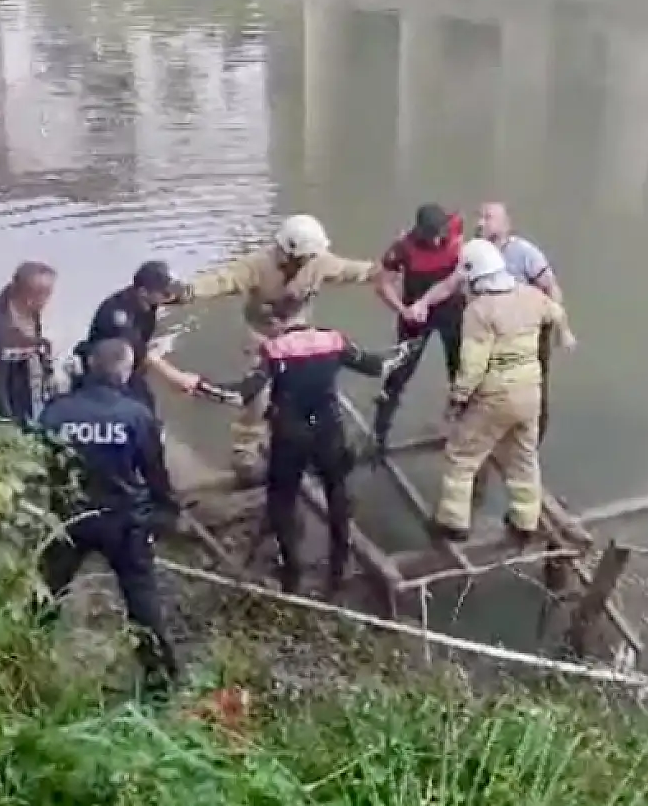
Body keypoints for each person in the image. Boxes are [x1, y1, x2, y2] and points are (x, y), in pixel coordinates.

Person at [161, 307, 407, 598]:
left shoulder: (274, 351)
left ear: (277, 322)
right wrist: (409, 348)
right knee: (336, 494)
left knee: (282, 501)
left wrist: (199, 386)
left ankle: (292, 573)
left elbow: (240, 394)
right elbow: (379, 366)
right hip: (328, 429)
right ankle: (338, 570)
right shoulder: (333, 340)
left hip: (291, 434)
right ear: (304, 314)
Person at [171, 213, 378, 481]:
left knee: (308, 390)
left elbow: (350, 270)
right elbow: (222, 280)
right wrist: (188, 292)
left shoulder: (318, 262)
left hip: (297, 336)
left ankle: (307, 442)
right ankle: (245, 451)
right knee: (258, 395)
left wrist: (381, 270)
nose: (309, 262)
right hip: (262, 336)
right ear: (287, 252)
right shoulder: (257, 265)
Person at [37, 338, 181, 692]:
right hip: (123, 521)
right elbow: (155, 474)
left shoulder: (56, 411)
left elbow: (42, 462)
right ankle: (160, 677)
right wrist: (164, 513)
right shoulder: (136, 414)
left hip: (70, 518)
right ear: (124, 370)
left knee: (45, 594)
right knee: (142, 600)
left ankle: (20, 658)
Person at [432, 238, 572, 544]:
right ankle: (525, 521)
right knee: (523, 458)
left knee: (462, 455)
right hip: (530, 393)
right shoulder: (531, 296)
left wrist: (457, 399)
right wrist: (564, 336)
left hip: (495, 395)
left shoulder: (480, 311)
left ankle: (453, 523)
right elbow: (556, 312)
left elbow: (472, 365)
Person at [407, 201, 576, 437]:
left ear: (506, 224)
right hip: (491, 328)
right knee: (484, 382)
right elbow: (451, 284)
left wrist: (561, 329)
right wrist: (423, 303)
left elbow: (551, 289)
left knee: (531, 385)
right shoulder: (475, 252)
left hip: (526, 327)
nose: (480, 223)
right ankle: (485, 433)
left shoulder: (525, 252)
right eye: (480, 217)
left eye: (488, 218)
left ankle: (530, 436)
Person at [372, 203, 465, 453]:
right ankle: (379, 433)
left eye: (442, 234)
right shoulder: (403, 249)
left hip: (452, 311)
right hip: (416, 316)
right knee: (399, 372)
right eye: (433, 235)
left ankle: (462, 424)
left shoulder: (456, 227)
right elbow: (382, 284)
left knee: (463, 371)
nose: (439, 240)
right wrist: (403, 310)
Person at [79, 260, 184, 412]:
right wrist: (176, 377)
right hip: (106, 374)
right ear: (143, 292)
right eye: (166, 293)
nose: (170, 296)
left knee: (147, 408)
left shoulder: (148, 302)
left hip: (129, 368)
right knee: (135, 411)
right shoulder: (118, 314)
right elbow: (139, 350)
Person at [0, 261, 58, 429]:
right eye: (46, 294)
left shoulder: (28, 314)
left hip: (30, 399)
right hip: (10, 414)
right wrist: (7, 423)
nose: (48, 300)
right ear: (30, 296)